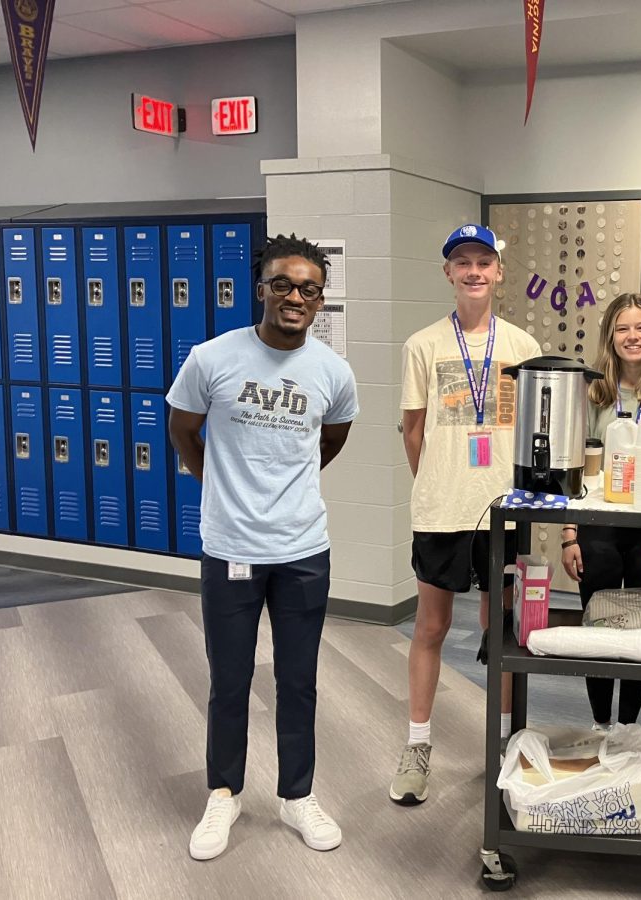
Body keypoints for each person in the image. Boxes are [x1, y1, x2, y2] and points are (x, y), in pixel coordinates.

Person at [168, 233, 359, 860]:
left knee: (298, 680)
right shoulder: (213, 358)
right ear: (261, 289)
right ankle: (223, 794)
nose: (295, 297)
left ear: (321, 299)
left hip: (304, 549)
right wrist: (220, 484)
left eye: (308, 288)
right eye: (283, 284)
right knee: (229, 680)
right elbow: (182, 430)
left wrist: (285, 488)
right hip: (230, 546)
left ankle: (296, 795)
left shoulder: (333, 371)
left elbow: (331, 441)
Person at [391, 224, 539, 806]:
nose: (474, 271)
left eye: (484, 261)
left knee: (499, 630)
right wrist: (439, 482)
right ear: (448, 273)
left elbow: (533, 431)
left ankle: (503, 745)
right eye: (463, 263)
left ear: (498, 272)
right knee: (431, 626)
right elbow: (413, 431)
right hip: (441, 509)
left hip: (502, 509)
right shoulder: (422, 345)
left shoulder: (522, 346)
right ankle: (418, 745)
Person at [560, 293, 641, 729]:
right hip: (597, 530)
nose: (632, 337)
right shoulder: (593, 389)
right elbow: (571, 469)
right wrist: (569, 536)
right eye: (622, 328)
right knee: (597, 631)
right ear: (610, 336)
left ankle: (628, 728)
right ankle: (601, 725)